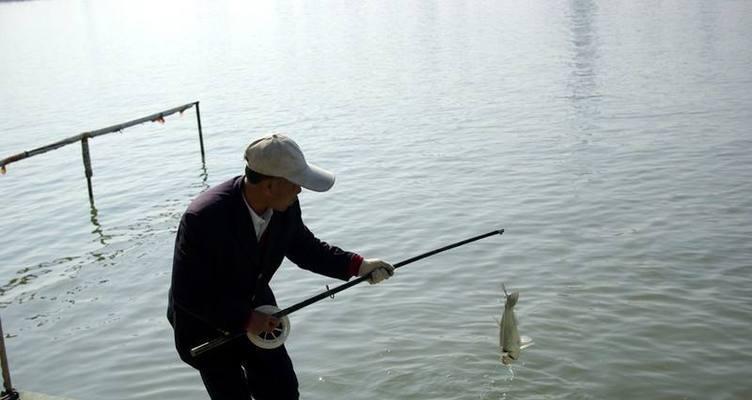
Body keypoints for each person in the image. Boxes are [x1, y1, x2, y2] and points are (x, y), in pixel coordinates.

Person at [167, 133, 394, 399]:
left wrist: (359, 266)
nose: (300, 190)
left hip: (259, 310)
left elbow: (306, 248)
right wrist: (247, 320)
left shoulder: (285, 205)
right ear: (270, 186)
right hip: (205, 326)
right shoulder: (202, 218)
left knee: (283, 391)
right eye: (296, 183)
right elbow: (189, 294)